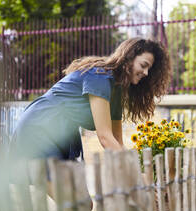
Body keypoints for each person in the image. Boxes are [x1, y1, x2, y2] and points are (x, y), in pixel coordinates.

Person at [9, 38, 171, 162]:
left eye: (149, 68)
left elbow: (117, 142)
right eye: (143, 65)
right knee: (71, 200)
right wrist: (136, 176)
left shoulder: (116, 91)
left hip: (64, 133)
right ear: (129, 58)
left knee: (83, 204)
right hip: (41, 126)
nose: (146, 73)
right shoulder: (100, 77)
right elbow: (105, 137)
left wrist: (136, 170)